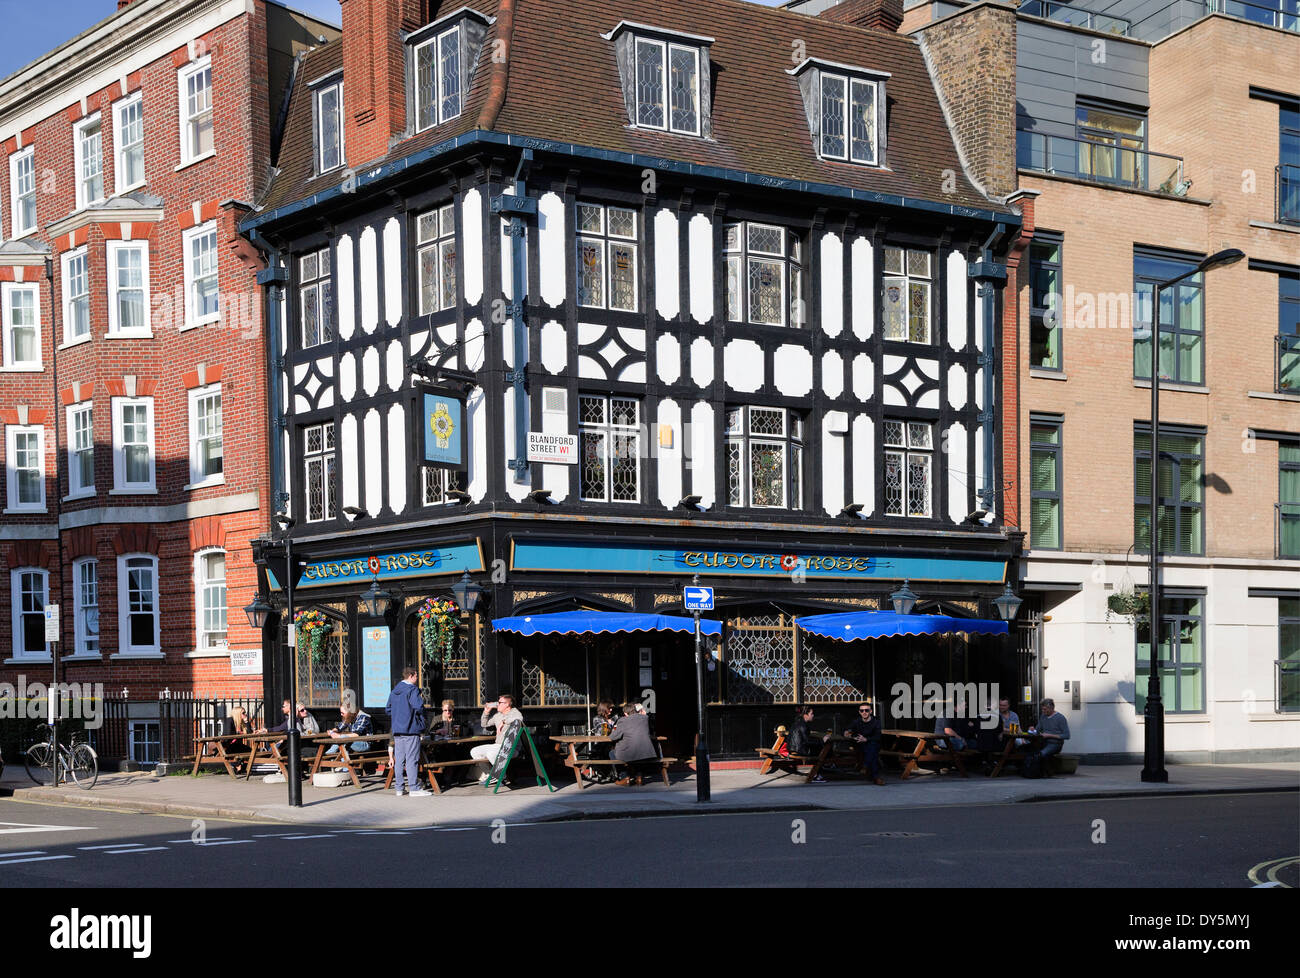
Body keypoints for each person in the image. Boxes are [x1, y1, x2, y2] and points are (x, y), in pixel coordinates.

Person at [387, 666, 429, 797]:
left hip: (397, 730)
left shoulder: (394, 691)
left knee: (399, 759)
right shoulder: (412, 690)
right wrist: (420, 719)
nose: (417, 679)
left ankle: (399, 788)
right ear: (411, 676)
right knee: (412, 759)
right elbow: (418, 706)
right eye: (416, 676)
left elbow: (388, 709)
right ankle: (414, 788)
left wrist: (398, 715)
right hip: (411, 729)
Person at [471, 694, 524, 781]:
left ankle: (500, 775)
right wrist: (486, 712)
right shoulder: (497, 715)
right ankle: (491, 775)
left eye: (499, 703)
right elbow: (484, 724)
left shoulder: (515, 712)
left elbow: (519, 719)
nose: (497, 704)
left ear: (507, 704)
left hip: (511, 748)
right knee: (474, 751)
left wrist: (504, 721)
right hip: (498, 745)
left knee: (491, 753)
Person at [608, 701, 658, 784]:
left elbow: (613, 737)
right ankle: (639, 776)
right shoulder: (645, 718)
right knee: (637, 752)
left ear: (626, 713)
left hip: (630, 752)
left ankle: (625, 777)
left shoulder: (623, 720)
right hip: (646, 752)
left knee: (612, 753)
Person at [847, 702, 885, 785]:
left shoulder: (876, 722)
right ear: (859, 712)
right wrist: (847, 732)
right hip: (859, 745)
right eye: (862, 710)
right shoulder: (856, 722)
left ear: (871, 711)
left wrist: (866, 739)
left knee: (872, 747)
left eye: (866, 710)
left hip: (871, 743)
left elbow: (878, 736)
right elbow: (849, 729)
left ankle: (866, 766)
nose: (864, 712)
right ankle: (875, 776)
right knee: (873, 751)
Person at [1030, 698, 1070, 768]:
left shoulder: (1060, 718)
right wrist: (1032, 730)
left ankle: (1042, 773)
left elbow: (1067, 735)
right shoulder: (1043, 716)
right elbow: (1037, 730)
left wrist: (1049, 735)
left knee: (1041, 754)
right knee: (1028, 751)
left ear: (1052, 708)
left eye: (1045, 709)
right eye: (1042, 709)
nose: (1043, 711)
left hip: (1055, 744)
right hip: (1042, 741)